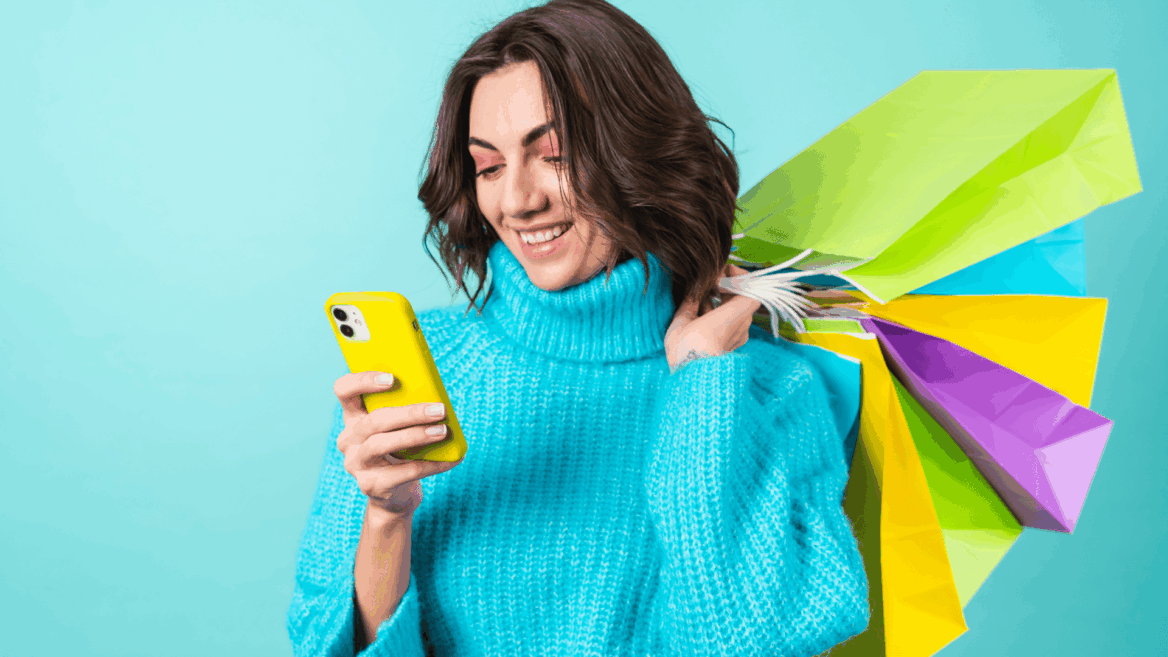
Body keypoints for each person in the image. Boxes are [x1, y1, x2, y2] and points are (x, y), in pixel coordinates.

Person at [286, 0, 870, 654]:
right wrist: (388, 518)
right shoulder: (423, 369)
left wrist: (704, 393)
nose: (517, 200)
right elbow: (321, 646)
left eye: (553, 154)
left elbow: (742, 641)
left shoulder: (772, 391)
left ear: (638, 148)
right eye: (489, 166)